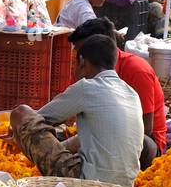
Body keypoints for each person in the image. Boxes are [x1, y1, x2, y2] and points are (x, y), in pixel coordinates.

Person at [10, 34, 143, 186]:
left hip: (89, 185)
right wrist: (61, 148)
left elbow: (37, 118)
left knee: (21, 113)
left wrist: (15, 134)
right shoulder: (132, 94)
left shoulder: (87, 87)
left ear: (82, 62)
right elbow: (93, 139)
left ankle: (24, 160)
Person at [69, 17, 164, 167]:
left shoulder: (137, 70)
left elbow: (145, 129)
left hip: (142, 144)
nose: (78, 59)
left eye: (81, 54)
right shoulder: (86, 69)